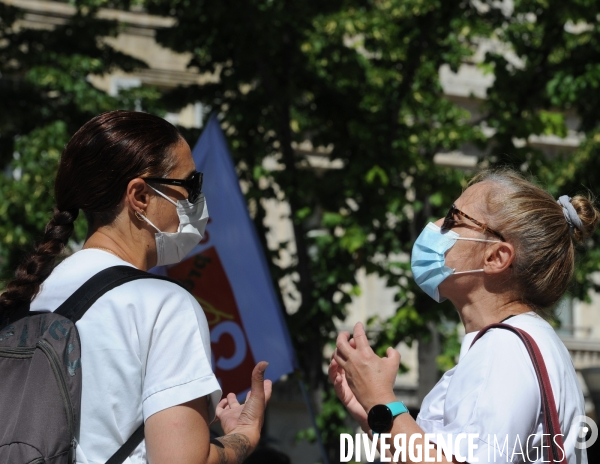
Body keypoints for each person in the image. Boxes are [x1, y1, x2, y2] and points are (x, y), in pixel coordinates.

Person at [0, 110, 272, 464]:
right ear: (140, 196)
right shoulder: (163, 305)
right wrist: (242, 437)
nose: (196, 203)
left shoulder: (29, 297)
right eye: (189, 186)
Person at [330, 169, 600, 463]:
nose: (434, 226)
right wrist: (373, 415)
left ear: (496, 257)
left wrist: (380, 399)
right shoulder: (515, 343)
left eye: (452, 219)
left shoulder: (504, 350)